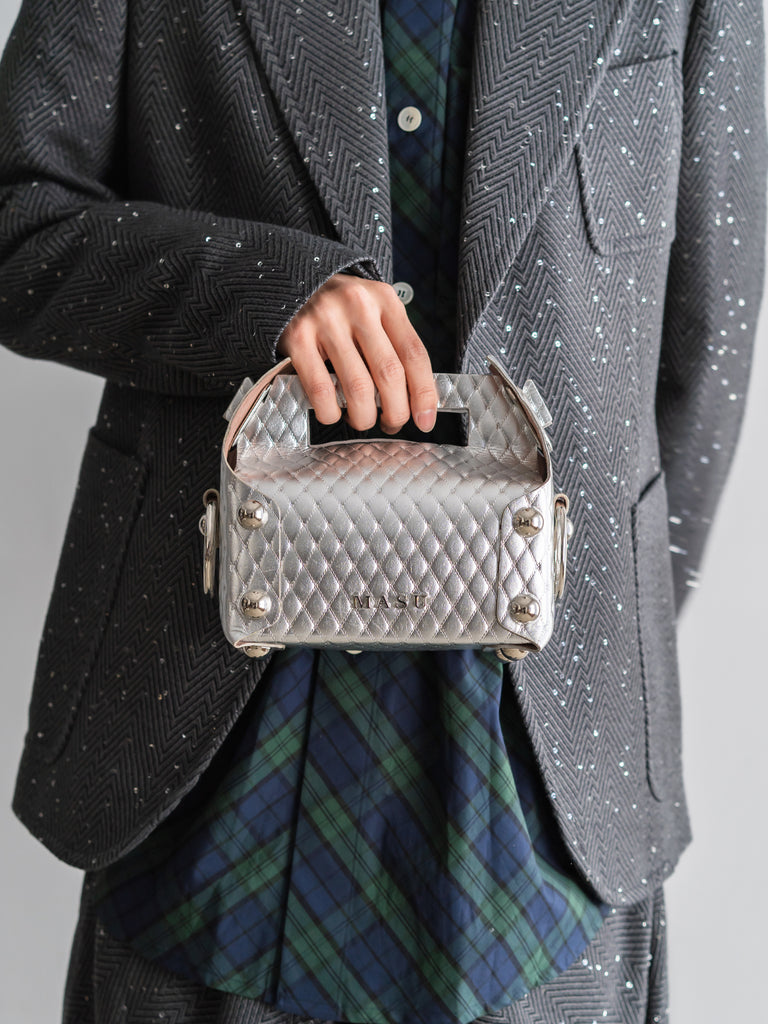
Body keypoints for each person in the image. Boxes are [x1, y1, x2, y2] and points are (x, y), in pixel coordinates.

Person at [0, 0, 765, 1022]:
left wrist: (589, 631)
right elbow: (17, 219)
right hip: (208, 760)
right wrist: (265, 294)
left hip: (547, 796)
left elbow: (701, 343)